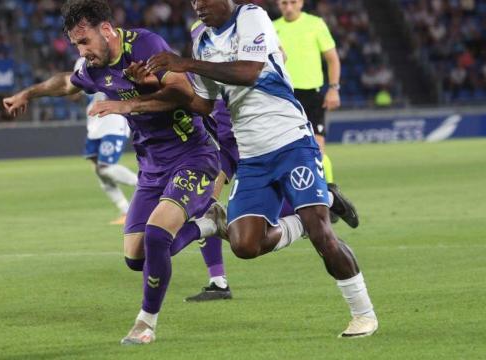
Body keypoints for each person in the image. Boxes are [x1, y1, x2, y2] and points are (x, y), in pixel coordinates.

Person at [136, 0, 377, 338]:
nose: (197, 6)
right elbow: (204, 103)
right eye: (192, 2)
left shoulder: (251, 16)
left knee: (324, 234)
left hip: (291, 141)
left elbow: (249, 71)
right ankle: (307, 218)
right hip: (252, 156)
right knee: (245, 245)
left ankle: (363, 313)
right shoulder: (202, 39)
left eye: (203, 0)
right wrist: (153, 87)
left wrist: (187, 64)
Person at [3, 0, 222, 345]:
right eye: (76, 44)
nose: (82, 51)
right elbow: (66, 83)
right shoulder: (95, 67)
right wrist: (28, 93)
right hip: (151, 166)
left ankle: (145, 323)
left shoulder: (146, 45)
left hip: (191, 154)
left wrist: (128, 103)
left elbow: (185, 93)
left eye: (84, 41)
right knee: (136, 258)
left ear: (106, 30)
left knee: (156, 234)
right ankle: (209, 223)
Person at [274, 0, 341, 184]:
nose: (288, 7)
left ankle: (331, 197)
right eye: (283, 3)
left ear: (301, 3)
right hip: (283, 96)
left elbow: (332, 59)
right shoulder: (271, 28)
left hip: (312, 95)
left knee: (318, 149)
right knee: (282, 151)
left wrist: (333, 89)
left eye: (292, 2)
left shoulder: (315, 24)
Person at [73, 57, 138, 225]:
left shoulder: (115, 57)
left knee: (106, 168)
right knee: (99, 170)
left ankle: (147, 186)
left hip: (114, 120)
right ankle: (125, 210)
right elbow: (75, 91)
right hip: (95, 122)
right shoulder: (81, 63)